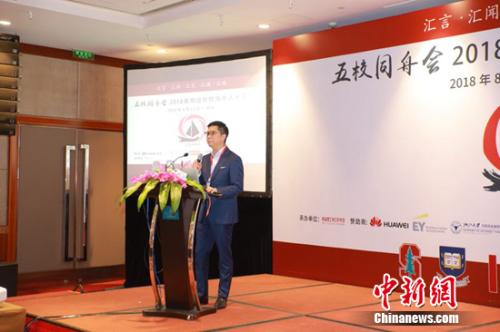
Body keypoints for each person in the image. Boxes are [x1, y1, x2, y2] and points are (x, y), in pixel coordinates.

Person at [194, 121, 243, 309]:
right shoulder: (205, 159)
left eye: (213, 133)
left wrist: (217, 190)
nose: (209, 136)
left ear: (223, 136)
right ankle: (201, 293)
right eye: (207, 133)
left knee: (224, 256)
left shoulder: (233, 159)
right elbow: (203, 184)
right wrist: (198, 175)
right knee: (200, 255)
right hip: (204, 215)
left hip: (223, 215)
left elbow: (237, 187)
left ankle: (222, 295)